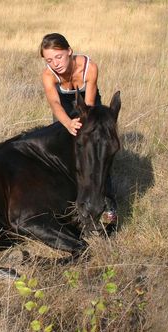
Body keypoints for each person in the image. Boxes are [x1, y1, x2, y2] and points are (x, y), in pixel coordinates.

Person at [39, 32, 117, 225]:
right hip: (64, 107)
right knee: (63, 148)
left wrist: (83, 127)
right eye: (49, 59)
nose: (55, 63)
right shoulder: (48, 75)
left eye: (59, 56)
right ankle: (70, 200)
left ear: (69, 51)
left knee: (96, 153)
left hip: (88, 105)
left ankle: (109, 204)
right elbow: (55, 104)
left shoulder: (89, 68)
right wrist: (67, 123)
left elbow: (88, 105)